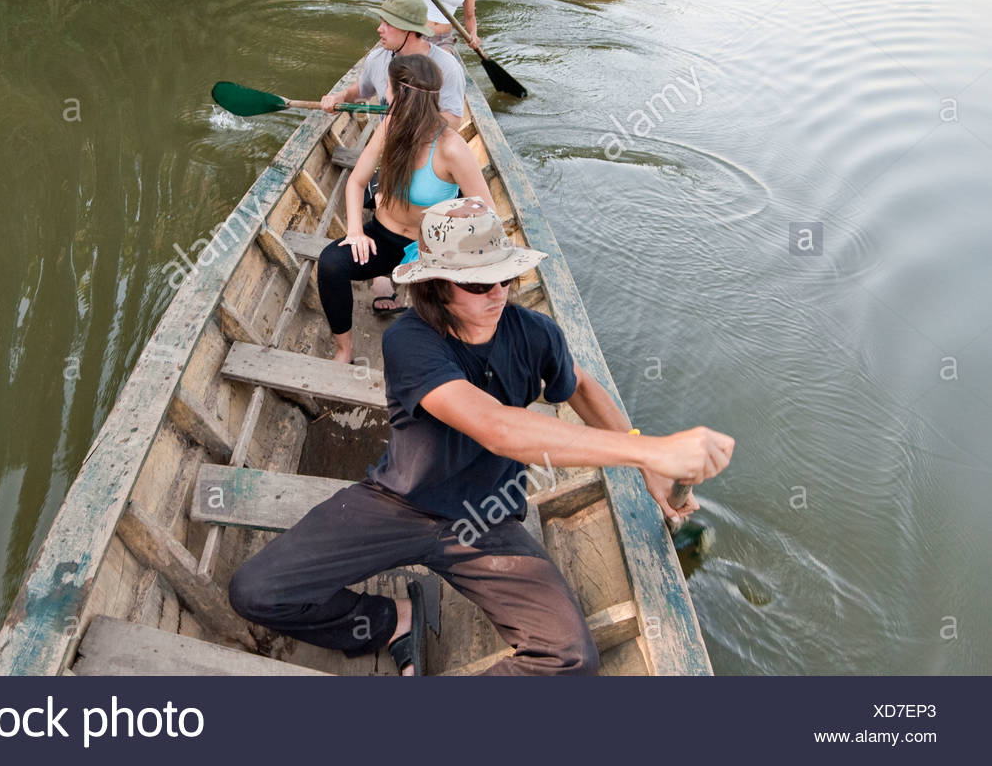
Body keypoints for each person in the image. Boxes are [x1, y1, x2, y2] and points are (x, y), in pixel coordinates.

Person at [229, 198, 735, 676]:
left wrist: (644, 458)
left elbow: (578, 382)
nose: (498, 294)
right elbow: (496, 429)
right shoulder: (409, 341)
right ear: (437, 284)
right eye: (478, 284)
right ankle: (392, 621)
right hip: (399, 503)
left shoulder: (536, 333)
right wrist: (651, 450)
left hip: (485, 518)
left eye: (506, 278)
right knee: (255, 592)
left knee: (570, 659)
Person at [316, 54, 494, 364]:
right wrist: (356, 232)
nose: (385, 95)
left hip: (432, 247)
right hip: (384, 237)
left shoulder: (451, 147)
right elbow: (357, 183)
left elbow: (486, 210)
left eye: (388, 88)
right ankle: (345, 349)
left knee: (440, 315)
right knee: (331, 264)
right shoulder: (389, 127)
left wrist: (452, 252)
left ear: (401, 95)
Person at [320, 0, 466, 131]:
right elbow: (361, 91)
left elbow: (452, 122)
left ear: (408, 29)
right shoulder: (377, 58)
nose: (379, 29)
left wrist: (411, 118)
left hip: (428, 149)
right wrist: (341, 96)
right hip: (390, 142)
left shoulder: (446, 67)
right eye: (381, 22)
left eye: (388, 24)